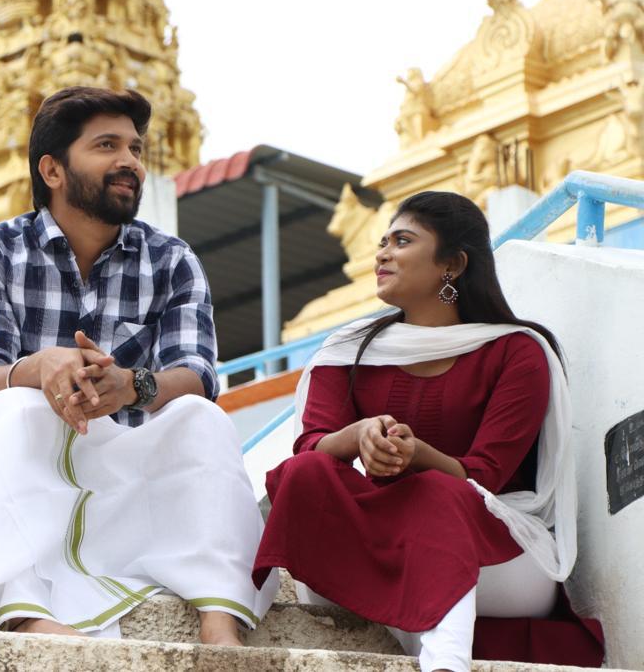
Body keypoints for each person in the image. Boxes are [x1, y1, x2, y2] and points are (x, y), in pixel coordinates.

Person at [0, 86, 277, 644]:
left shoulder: (171, 260)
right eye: (107, 145)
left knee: (201, 417)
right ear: (52, 170)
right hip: (31, 480)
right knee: (11, 408)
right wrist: (41, 368)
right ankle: (28, 613)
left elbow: (198, 374)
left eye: (135, 148)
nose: (131, 162)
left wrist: (132, 386)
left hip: (132, 486)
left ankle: (221, 620)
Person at [252, 191, 603, 671]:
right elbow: (311, 445)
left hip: (497, 557)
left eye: (402, 241)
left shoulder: (516, 352)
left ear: (452, 265)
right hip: (374, 547)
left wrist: (417, 454)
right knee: (305, 471)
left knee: (438, 492)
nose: (382, 254)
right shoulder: (347, 351)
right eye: (382, 242)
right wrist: (358, 435)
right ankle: (234, 620)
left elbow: (485, 477)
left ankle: (445, 662)